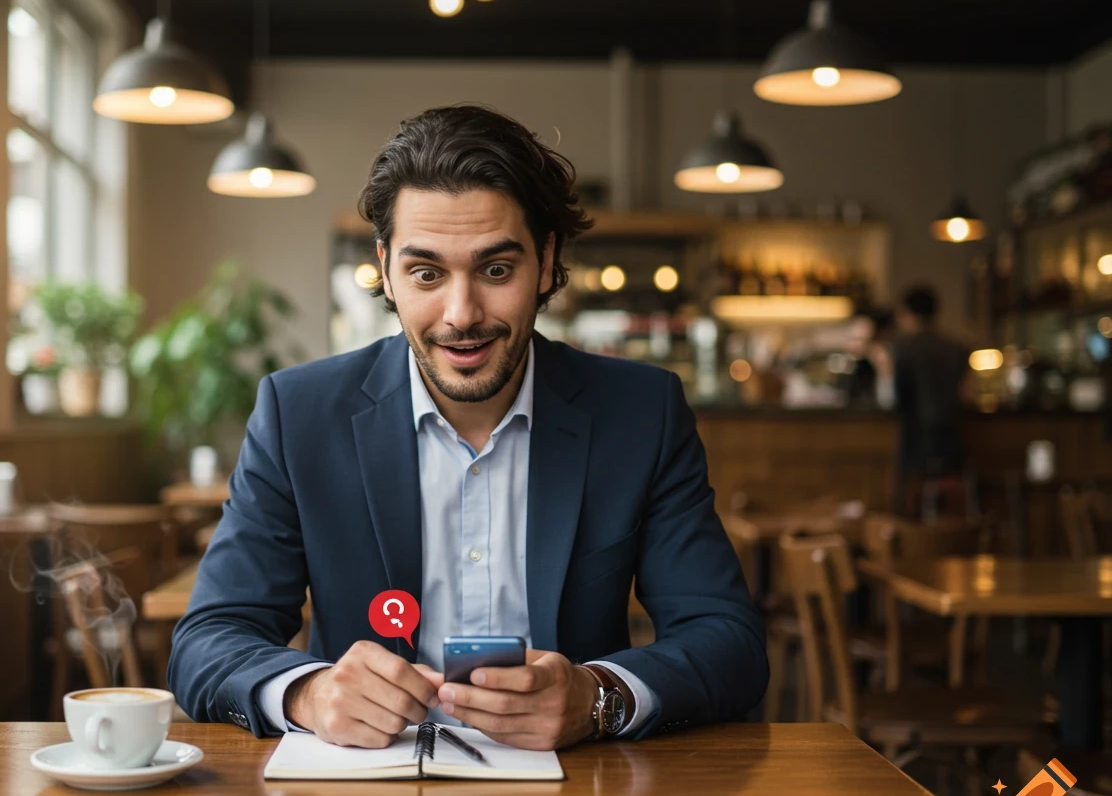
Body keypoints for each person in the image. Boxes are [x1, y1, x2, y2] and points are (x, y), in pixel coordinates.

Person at [167, 105, 768, 751]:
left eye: (496, 270)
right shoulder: (299, 414)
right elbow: (207, 642)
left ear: (546, 261)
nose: (461, 314)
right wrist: (309, 694)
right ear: (387, 271)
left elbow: (728, 642)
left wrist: (597, 698)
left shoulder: (641, 413)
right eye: (427, 273)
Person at [891, 284, 971, 519]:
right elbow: (966, 394)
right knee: (952, 511)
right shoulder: (957, 349)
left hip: (915, 440)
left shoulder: (902, 348)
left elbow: (897, 398)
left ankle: (917, 549)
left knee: (911, 510)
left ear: (906, 313)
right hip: (952, 438)